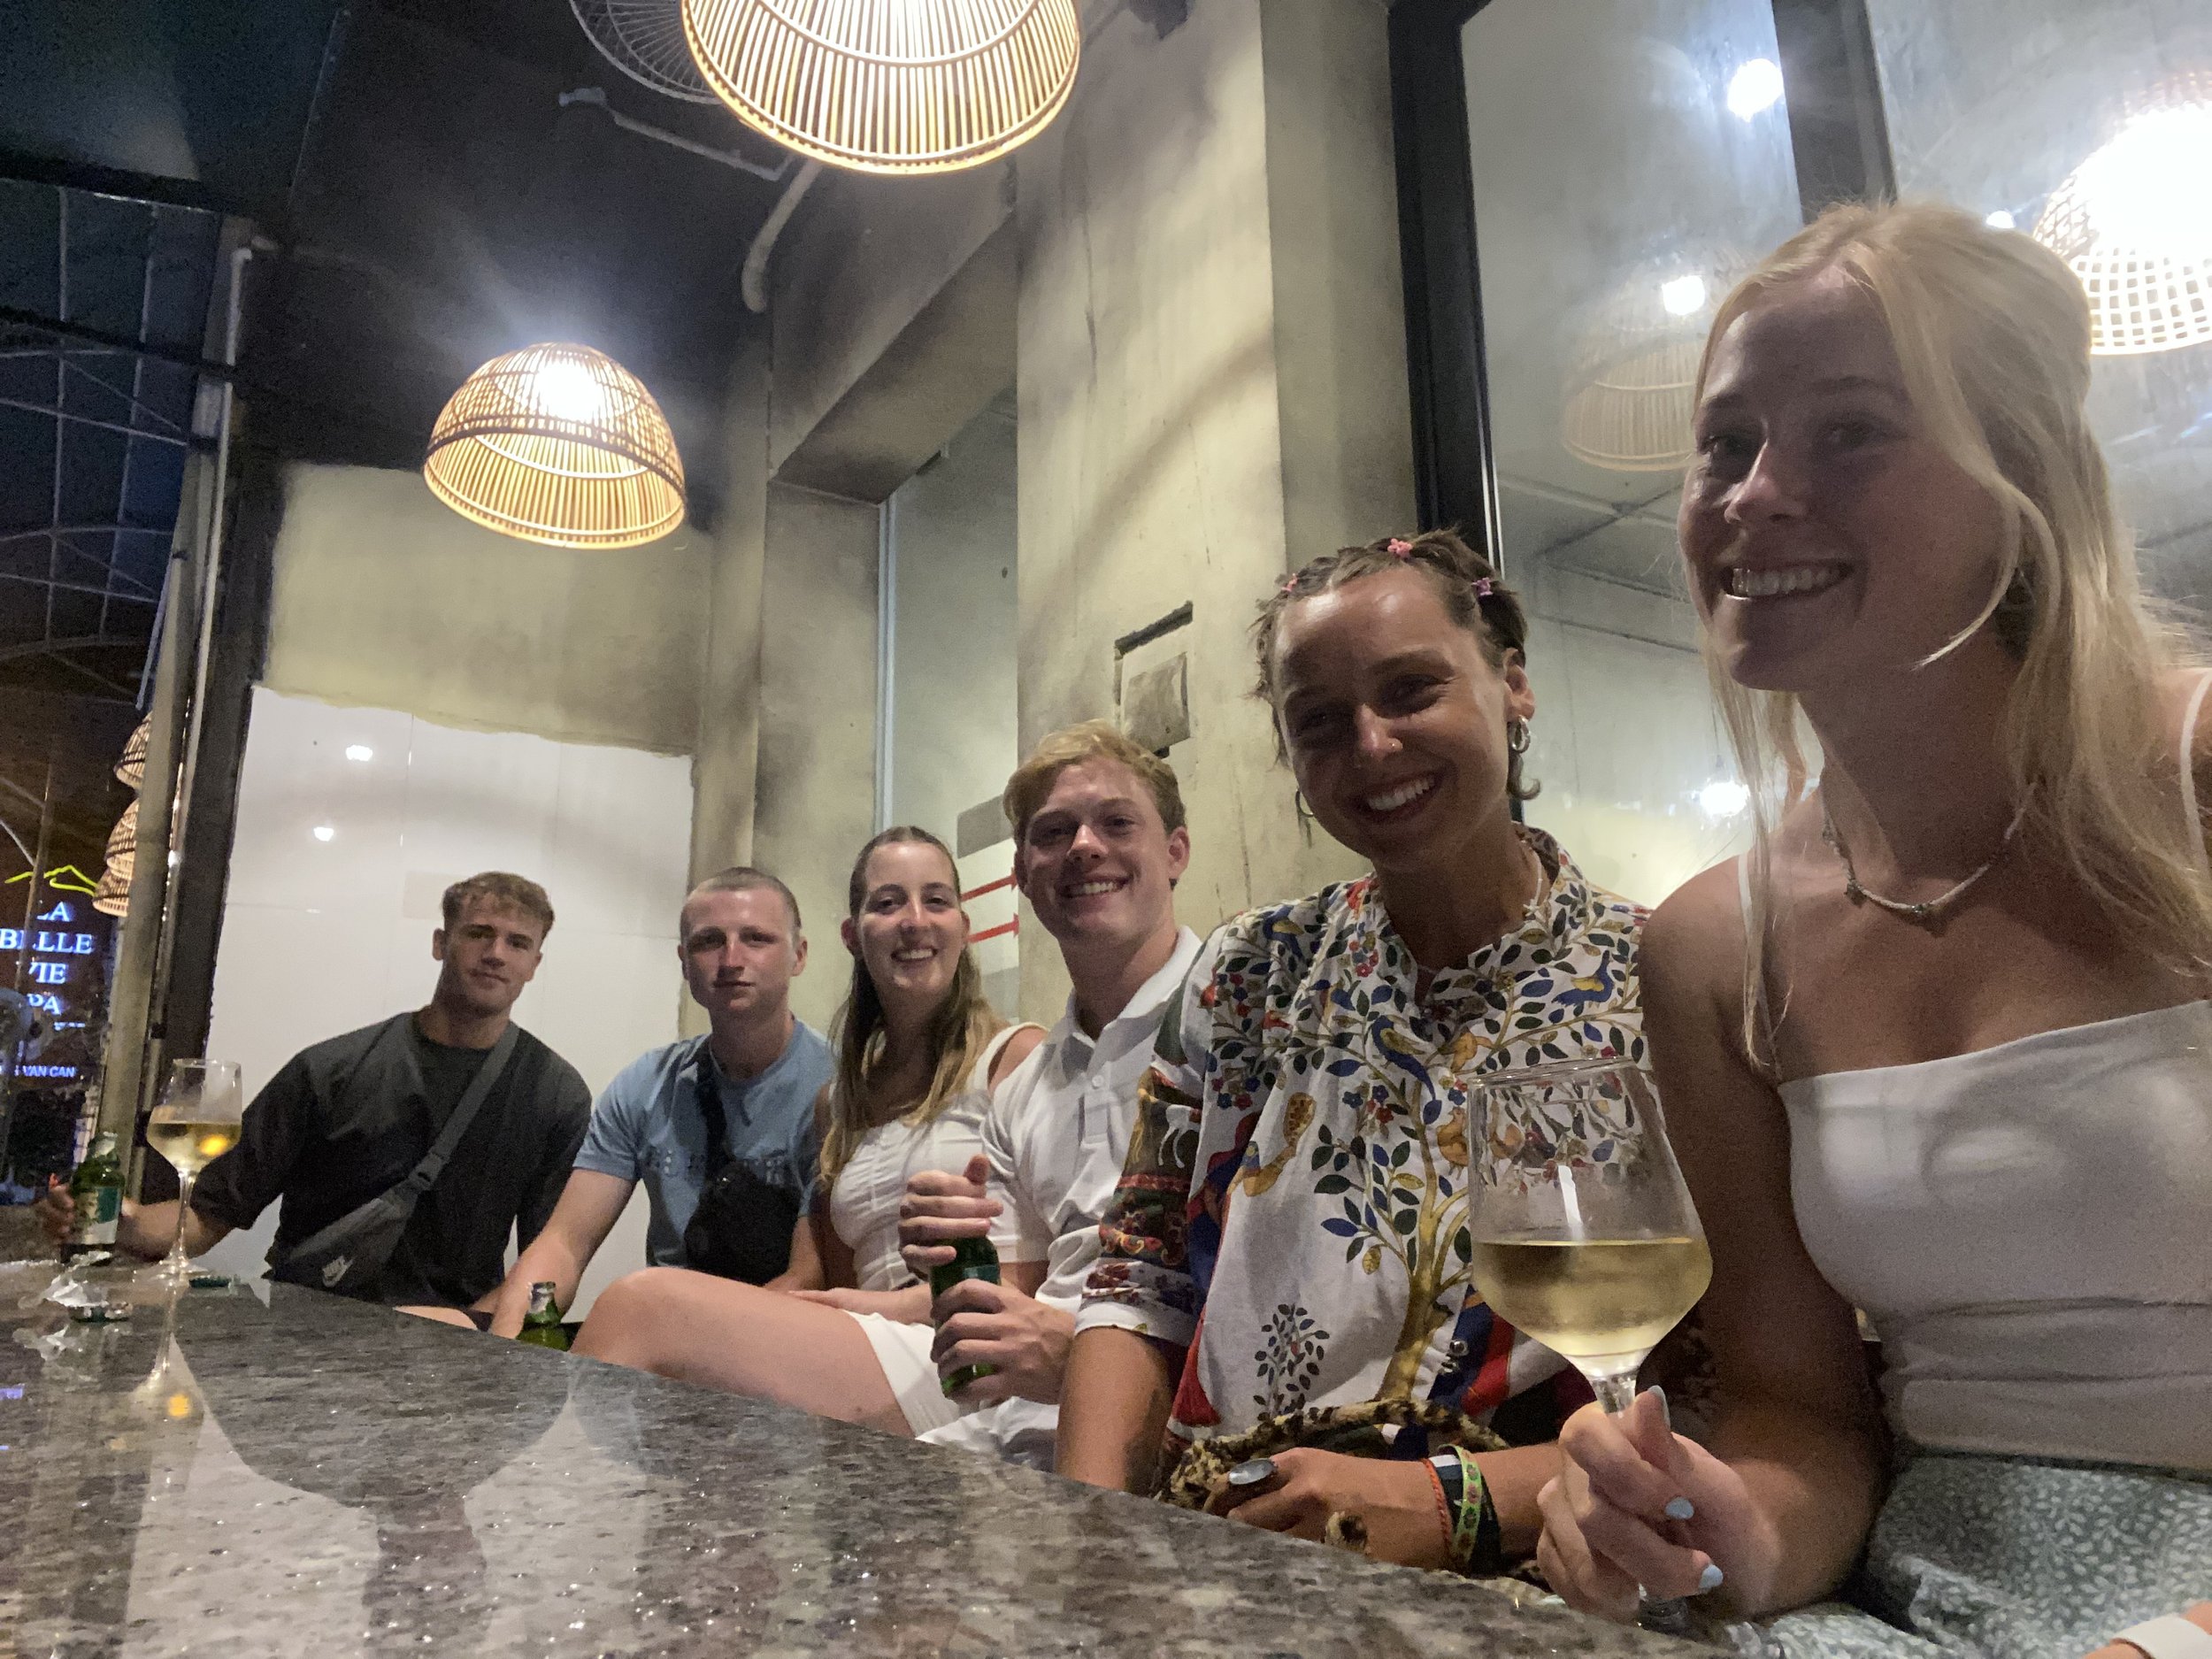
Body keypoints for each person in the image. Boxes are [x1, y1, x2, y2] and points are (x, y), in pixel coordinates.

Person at [1533, 203, 2212, 1659]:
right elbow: (1805, 1420)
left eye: (1850, 433)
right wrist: (1722, 1525)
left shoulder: (2196, 779)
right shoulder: (1713, 949)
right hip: (1927, 1588)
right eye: (1726, 445)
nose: (1755, 495)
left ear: (2021, 479)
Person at [1056, 531, 1648, 1577]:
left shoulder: (1653, 981)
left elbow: (1724, 1397)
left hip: (1520, 1571)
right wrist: (1084, 1551)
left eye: (1411, 691)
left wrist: (1442, 1504)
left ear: (1512, 685)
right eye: (1320, 722)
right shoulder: (1249, 971)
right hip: (1214, 1549)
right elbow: (1139, 1279)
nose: (1371, 746)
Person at [570, 826, 1043, 1435]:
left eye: (936, 900)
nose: (914, 921)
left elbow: (1049, 1272)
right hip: (870, 1348)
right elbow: (828, 1278)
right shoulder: (837, 1104)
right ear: (853, 935)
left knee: (642, 1306)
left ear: (964, 925)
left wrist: (889, 1305)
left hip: (967, 1354)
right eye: (888, 902)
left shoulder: (1016, 1058)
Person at [37, 872, 591, 1313]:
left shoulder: (556, 1096)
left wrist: (473, 1332)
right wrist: (120, 1223)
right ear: (441, 943)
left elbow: (550, 1263)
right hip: (302, 1326)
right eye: (478, 933)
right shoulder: (330, 1070)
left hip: (455, 1346)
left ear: (534, 965)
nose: (496, 953)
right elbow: (207, 1216)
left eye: (518, 943)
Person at [895, 721, 1204, 1467]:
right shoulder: (1026, 1085)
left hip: (1176, 1448)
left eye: (1116, 822)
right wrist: (953, 1260)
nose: (1084, 847)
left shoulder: (1239, 1028)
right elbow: (1008, 1310)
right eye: (1054, 832)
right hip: (1015, 1438)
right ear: (1022, 876)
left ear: (1176, 852)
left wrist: (1085, 1360)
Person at [480, 867, 831, 1337]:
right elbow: (563, 1245)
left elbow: (809, 1279)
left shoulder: (841, 1091)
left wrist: (678, 1343)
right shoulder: (646, 1085)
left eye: (756, 939)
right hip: (662, 1338)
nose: (731, 959)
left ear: (798, 955)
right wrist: (511, 1342)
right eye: (709, 942)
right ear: (684, 962)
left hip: (788, 1340)